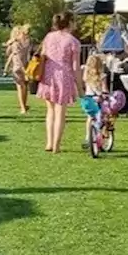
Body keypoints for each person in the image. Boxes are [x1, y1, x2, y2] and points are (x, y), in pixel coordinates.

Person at [39, 11, 81, 153]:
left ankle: (49, 143)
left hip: (48, 75)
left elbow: (43, 55)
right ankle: (57, 145)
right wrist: (80, 87)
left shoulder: (48, 37)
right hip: (64, 76)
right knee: (60, 112)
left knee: (50, 111)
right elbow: (75, 67)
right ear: (69, 22)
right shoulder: (73, 41)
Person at [3, 25, 33, 114]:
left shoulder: (19, 42)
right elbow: (15, 56)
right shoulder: (22, 43)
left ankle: (23, 106)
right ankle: (23, 107)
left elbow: (9, 54)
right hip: (20, 66)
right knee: (22, 87)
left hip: (22, 66)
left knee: (23, 87)